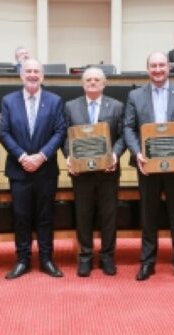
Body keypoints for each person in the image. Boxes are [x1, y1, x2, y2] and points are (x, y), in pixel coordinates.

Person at [124, 52, 174, 282]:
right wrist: (137, 153)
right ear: (147, 69)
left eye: (161, 65)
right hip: (147, 164)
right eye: (153, 66)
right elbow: (128, 127)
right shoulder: (135, 95)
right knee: (149, 214)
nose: (158, 69)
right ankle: (147, 262)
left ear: (169, 67)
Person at [0, 58, 67, 279]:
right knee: (21, 216)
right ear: (21, 74)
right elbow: (4, 133)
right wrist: (22, 157)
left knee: (46, 216)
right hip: (19, 170)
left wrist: (41, 156)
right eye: (28, 71)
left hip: (46, 170)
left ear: (43, 75)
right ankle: (22, 260)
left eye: (36, 71)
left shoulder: (55, 101)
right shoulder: (9, 101)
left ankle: (47, 259)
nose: (32, 75)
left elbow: (60, 132)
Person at [63, 67, 125, 277]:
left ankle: (107, 256)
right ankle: (85, 257)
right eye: (88, 80)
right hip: (81, 173)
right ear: (82, 84)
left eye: (96, 80)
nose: (92, 83)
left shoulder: (117, 106)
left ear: (104, 84)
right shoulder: (70, 107)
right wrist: (69, 157)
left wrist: (115, 155)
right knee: (83, 214)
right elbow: (65, 137)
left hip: (108, 171)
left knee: (109, 215)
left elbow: (123, 136)